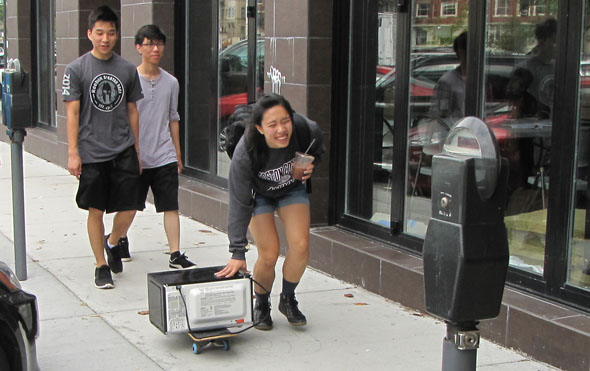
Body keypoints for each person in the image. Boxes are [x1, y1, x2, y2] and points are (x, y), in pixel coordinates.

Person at [216, 94, 324, 330]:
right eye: (272, 125)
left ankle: (288, 298)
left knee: (301, 245)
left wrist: (312, 166)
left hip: (291, 188)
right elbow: (238, 202)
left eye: (285, 121)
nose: (281, 130)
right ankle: (262, 304)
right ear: (259, 128)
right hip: (258, 194)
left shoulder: (306, 129)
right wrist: (237, 251)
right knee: (269, 253)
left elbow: (318, 149)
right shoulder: (246, 151)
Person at [62, 5, 144, 289]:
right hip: (91, 150)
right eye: (100, 33)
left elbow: (132, 110)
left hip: (123, 147)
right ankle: (101, 265)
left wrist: (136, 148)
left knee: (132, 205)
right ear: (89, 34)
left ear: (117, 34)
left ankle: (113, 241)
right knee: (95, 210)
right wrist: (73, 152)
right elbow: (72, 113)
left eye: (110, 33)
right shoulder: (76, 69)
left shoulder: (127, 69)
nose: (105, 38)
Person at [114, 24, 195, 269]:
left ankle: (175, 253)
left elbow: (173, 118)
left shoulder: (171, 82)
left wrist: (178, 154)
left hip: (164, 155)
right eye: (149, 44)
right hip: (135, 156)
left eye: (159, 43)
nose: (155, 49)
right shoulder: (129, 79)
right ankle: (117, 240)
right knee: (129, 207)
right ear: (139, 48)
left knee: (171, 205)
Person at [430, 31, 467, 122]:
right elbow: (440, 114)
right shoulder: (447, 82)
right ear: (458, 53)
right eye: (464, 52)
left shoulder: (480, 81)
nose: (467, 56)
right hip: (456, 130)